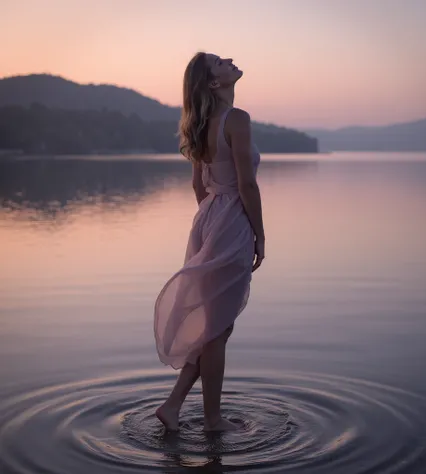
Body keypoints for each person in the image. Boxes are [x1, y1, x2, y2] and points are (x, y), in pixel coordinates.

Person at [154, 52, 265, 432]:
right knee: (217, 330)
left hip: (209, 219)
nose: (230, 60)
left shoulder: (201, 126)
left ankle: (172, 406)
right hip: (232, 220)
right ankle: (213, 421)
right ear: (214, 83)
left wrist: (212, 220)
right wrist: (257, 234)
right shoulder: (237, 119)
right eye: (220, 62)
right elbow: (247, 184)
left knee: (217, 326)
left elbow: (198, 186)